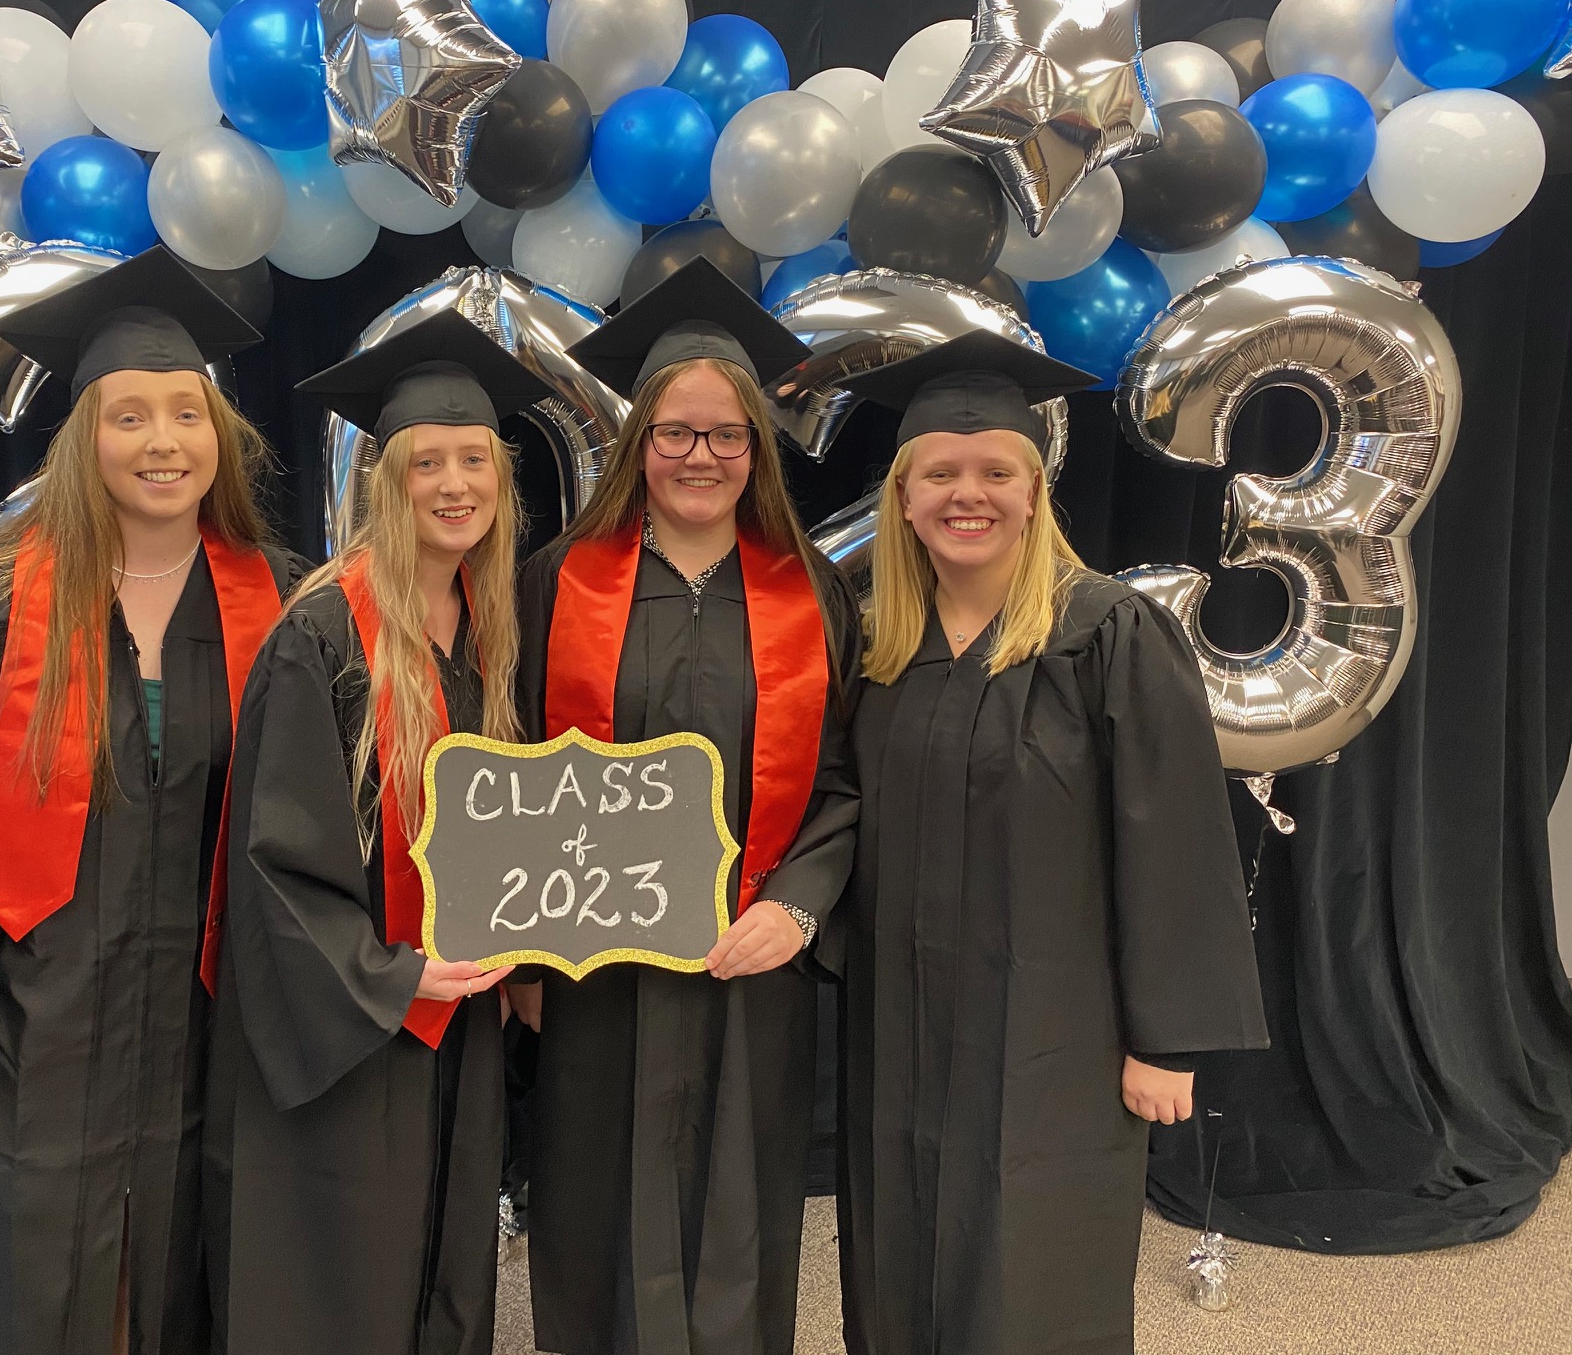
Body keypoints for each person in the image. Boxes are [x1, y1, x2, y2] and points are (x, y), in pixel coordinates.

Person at [0, 247, 305, 1355]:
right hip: (34, 1005)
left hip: (205, 1005)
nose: (162, 442)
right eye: (128, 416)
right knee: (23, 1256)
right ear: (82, 439)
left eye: (186, 415)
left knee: (192, 1255)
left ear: (221, 437)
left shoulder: (279, 602)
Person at [830, 334, 1270, 1355]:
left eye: (996, 472)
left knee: (1034, 1269)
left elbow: (1175, 836)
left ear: (1035, 493)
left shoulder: (1106, 632)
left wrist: (1165, 1041)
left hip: (1055, 1032)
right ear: (904, 499)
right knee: (898, 1252)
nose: (967, 494)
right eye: (941, 474)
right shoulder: (881, 649)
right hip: (899, 1024)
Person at [514, 258, 862, 1355]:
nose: (699, 456)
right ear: (639, 443)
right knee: (592, 1191)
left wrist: (796, 908)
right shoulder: (559, 580)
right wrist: (524, 952)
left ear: (757, 449)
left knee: (739, 1203)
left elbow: (847, 779)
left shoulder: (813, 592)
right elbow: (511, 767)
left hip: (746, 956)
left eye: (725, 435)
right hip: (596, 963)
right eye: (674, 432)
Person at [207, 310, 551, 1355]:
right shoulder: (322, 634)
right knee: (351, 1261)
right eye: (425, 464)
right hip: (360, 1014)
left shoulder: (489, 631)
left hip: (459, 1002)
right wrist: (395, 976)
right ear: (385, 484)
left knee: (447, 1251)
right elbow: (273, 861)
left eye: (474, 461)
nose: (454, 485)